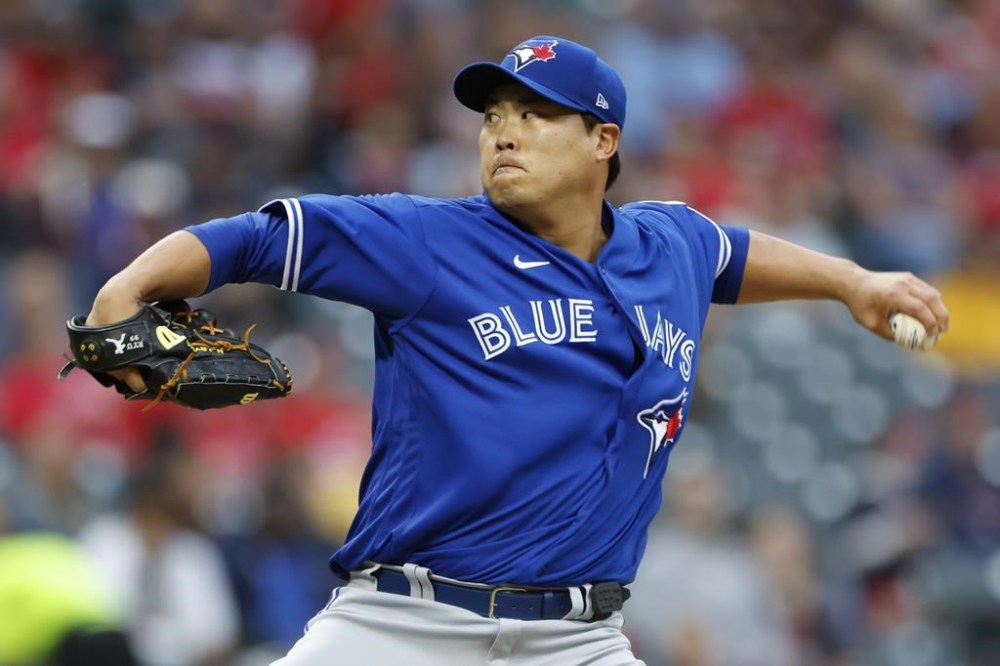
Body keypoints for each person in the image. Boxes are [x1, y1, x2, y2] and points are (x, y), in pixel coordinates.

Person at [82, 35, 948, 665]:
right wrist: (125, 290)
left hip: (580, 641)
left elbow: (736, 257)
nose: (504, 132)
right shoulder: (427, 242)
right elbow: (254, 237)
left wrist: (851, 282)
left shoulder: (667, 245)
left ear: (603, 142)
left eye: (535, 114)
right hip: (403, 628)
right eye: (495, 114)